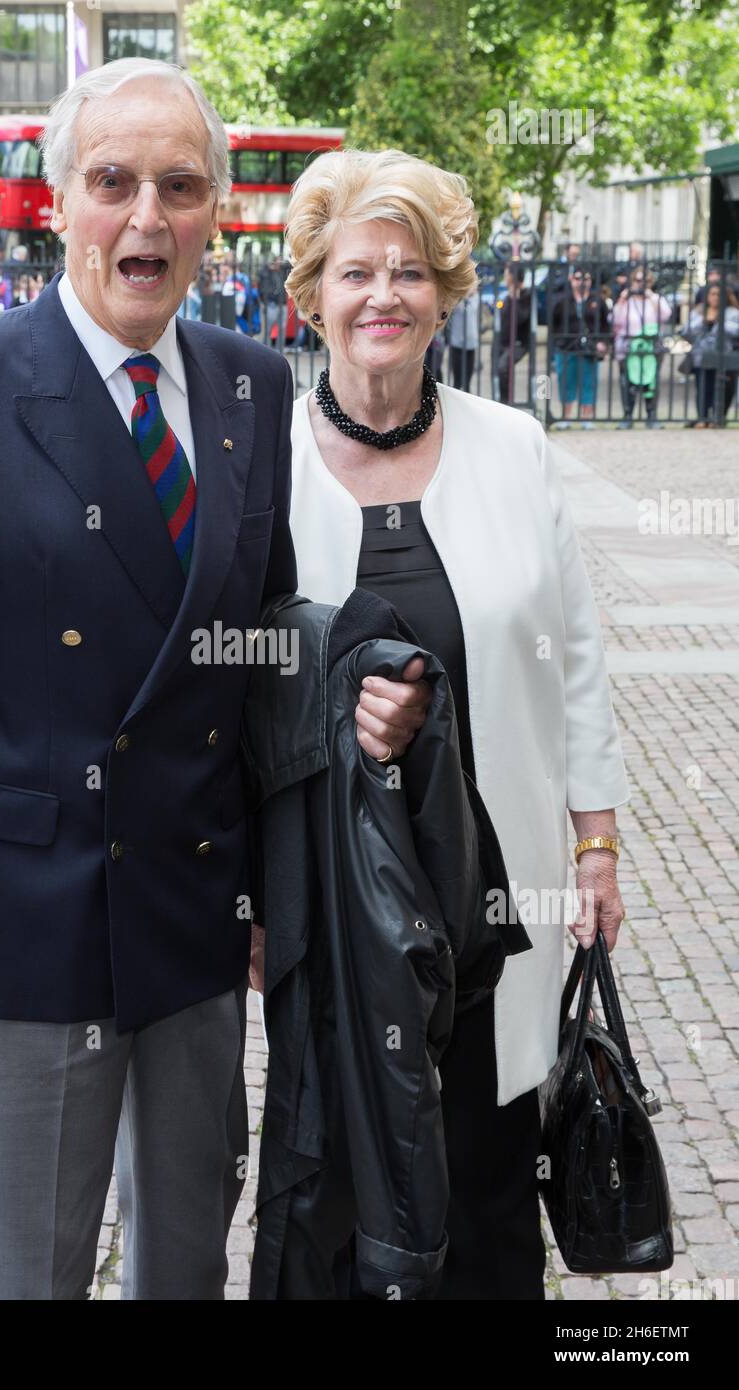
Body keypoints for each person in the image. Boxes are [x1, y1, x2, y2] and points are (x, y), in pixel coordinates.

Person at [0, 58, 424, 1302]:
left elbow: (262, 643)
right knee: (17, 1278)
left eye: (179, 186)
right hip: (19, 932)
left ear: (212, 212)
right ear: (58, 204)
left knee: (185, 1271)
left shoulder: (253, 384)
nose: (145, 217)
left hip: (195, 931)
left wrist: (363, 691)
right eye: (113, 183)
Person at [275, 146, 630, 1298]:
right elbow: (227, 684)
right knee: (345, 1181)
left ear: (446, 294)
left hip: (498, 896)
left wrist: (596, 844)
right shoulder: (262, 467)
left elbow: (575, 656)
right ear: (312, 293)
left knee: (485, 1184)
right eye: (356, 271)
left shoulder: (513, 448)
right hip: (343, 901)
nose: (384, 294)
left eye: (411, 272)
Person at [550, 264, 610, 428]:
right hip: (566, 348)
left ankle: (586, 418)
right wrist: (558, 342)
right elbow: (553, 324)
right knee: (565, 381)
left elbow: (606, 325)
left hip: (589, 349)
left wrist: (602, 343)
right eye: (577, 278)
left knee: (589, 382)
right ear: (571, 279)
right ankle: (566, 417)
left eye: (586, 279)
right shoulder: (562, 300)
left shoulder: (598, 300)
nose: (582, 282)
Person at [612, 264, 671, 429]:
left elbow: (666, 315)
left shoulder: (656, 298)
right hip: (628, 346)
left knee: (651, 381)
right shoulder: (626, 300)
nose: (641, 283)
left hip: (651, 346)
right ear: (632, 281)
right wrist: (622, 299)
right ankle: (628, 415)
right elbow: (615, 319)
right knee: (627, 381)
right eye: (638, 280)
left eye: (646, 280)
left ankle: (651, 415)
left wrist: (650, 297)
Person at [684, 282, 739, 427]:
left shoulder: (732, 312)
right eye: (712, 294)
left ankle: (717, 417)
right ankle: (702, 417)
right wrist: (702, 321)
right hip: (701, 356)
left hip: (723, 356)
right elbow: (686, 331)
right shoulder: (698, 312)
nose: (715, 298)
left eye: (719, 295)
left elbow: (736, 331)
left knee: (722, 387)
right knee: (702, 387)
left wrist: (720, 322)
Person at [496, 260, 532, 405]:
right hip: (503, 342)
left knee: (504, 367)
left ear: (513, 276)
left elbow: (520, 318)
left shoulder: (526, 295)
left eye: (506, 273)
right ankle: (502, 402)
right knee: (499, 369)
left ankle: (506, 403)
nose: (504, 276)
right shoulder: (506, 295)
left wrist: (514, 298)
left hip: (519, 342)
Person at [446, 278, 479, 391]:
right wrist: (464, 296)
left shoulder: (477, 298)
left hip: (471, 343)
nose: (474, 287)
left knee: (468, 381)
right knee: (457, 381)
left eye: (475, 285)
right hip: (457, 343)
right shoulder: (457, 301)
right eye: (472, 285)